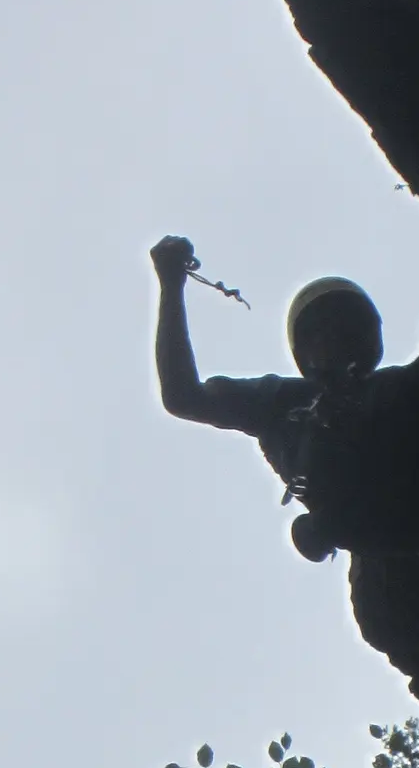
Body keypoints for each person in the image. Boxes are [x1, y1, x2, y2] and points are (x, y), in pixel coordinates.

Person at [150, 233, 383, 560]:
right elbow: (183, 396)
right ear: (307, 352)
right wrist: (171, 286)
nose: (333, 340)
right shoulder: (281, 402)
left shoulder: (405, 389)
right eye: (321, 331)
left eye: (344, 329)